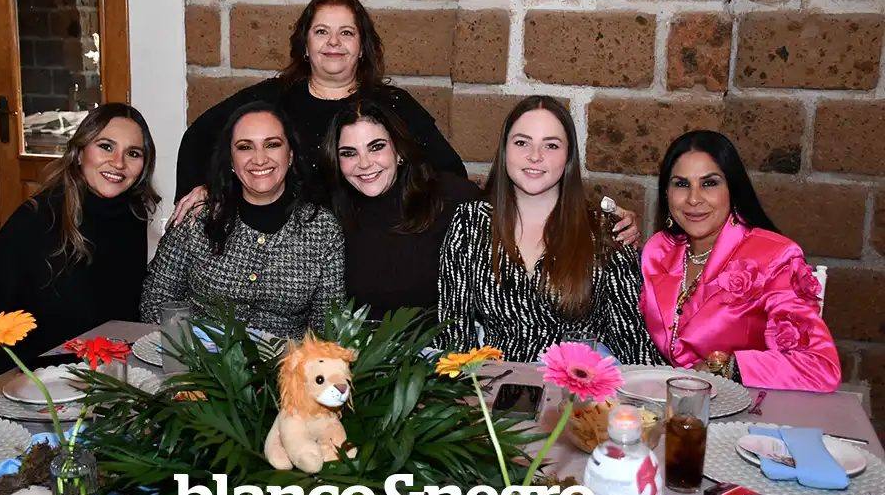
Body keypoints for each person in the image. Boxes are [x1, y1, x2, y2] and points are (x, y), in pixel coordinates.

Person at [170, 0, 466, 224]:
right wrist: (205, 189)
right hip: (291, 254)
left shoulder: (393, 105)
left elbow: (450, 173)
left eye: (346, 33)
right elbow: (200, 137)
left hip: (372, 248)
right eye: (322, 32)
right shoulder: (270, 99)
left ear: (362, 48)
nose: (333, 42)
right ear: (305, 45)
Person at [435, 96, 664, 364]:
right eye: (522, 142)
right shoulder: (470, 222)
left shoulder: (605, 231)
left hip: (578, 385)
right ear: (505, 150)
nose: (535, 156)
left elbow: (634, 344)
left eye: (551, 145)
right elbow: (453, 334)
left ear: (568, 157)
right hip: (495, 385)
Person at [0, 104, 161, 390]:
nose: (118, 162)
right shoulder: (37, 219)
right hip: (21, 377)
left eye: (133, 153)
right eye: (106, 146)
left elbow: (122, 313)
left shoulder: (132, 216)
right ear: (80, 152)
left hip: (96, 375)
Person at [640, 130, 841, 392]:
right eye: (681, 184)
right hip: (668, 404)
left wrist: (725, 368)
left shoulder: (773, 257)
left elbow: (820, 367)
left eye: (709, 183)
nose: (693, 199)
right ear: (666, 193)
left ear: (732, 189)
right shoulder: (658, 251)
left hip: (747, 407)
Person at [140, 101, 344, 339]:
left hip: (286, 360)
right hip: (199, 357)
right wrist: (186, 350)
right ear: (231, 159)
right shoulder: (198, 215)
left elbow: (329, 328)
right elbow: (156, 301)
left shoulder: (322, 229)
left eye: (272, 145)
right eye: (245, 147)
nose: (259, 159)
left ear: (290, 155)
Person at [321, 98, 481, 321]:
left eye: (377, 147)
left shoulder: (452, 197)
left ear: (399, 151)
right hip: (360, 342)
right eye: (349, 153)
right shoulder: (329, 213)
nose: (364, 163)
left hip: (443, 341)